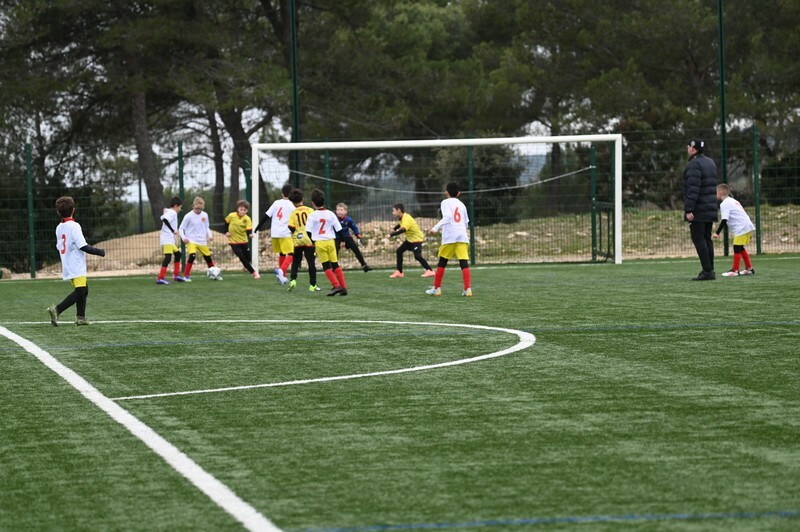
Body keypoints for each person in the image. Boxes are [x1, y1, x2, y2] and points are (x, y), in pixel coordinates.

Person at [47, 196, 105, 326]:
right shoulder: (74, 226)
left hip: (67, 263)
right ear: (74, 210)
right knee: (80, 291)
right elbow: (83, 246)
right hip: (76, 264)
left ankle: (80, 317)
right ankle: (57, 309)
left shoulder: (59, 227)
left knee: (84, 289)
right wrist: (99, 252)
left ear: (58, 212)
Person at [426, 182, 472, 297]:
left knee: (442, 261)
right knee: (463, 262)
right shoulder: (462, 205)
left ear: (446, 192)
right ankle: (468, 289)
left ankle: (437, 288)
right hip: (462, 235)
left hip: (450, 236)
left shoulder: (445, 202)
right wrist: (462, 231)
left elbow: (448, 217)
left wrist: (435, 228)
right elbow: (466, 222)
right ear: (459, 193)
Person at [683, 139, 718, 280]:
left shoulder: (694, 165)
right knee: (706, 238)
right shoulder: (710, 162)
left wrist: (689, 209)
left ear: (693, 149)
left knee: (698, 238)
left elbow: (693, 188)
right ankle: (710, 270)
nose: (687, 149)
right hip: (710, 206)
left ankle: (707, 271)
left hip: (699, 208)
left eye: (688, 147)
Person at [306, 189, 348, 296]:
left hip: (320, 243)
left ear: (313, 203)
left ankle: (336, 286)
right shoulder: (330, 214)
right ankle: (343, 288)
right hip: (330, 241)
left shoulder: (312, 215)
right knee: (335, 264)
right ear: (324, 201)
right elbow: (339, 229)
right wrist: (343, 240)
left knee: (326, 266)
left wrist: (312, 242)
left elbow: (308, 231)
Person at [253, 183, 295, 284]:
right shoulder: (292, 205)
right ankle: (281, 271)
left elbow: (266, 216)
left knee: (282, 253)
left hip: (275, 233)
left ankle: (282, 277)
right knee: (291, 254)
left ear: (282, 194)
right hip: (285, 233)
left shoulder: (276, 203)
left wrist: (258, 227)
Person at [713, 183, 756, 277]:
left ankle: (735, 270)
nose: (715, 194)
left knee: (737, 247)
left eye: (716, 192)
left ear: (720, 193)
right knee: (740, 248)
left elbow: (724, 219)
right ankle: (749, 269)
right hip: (746, 225)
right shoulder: (732, 200)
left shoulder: (725, 204)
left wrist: (717, 232)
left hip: (741, 227)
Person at [386, 203, 435, 278]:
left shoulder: (406, 218)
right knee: (399, 251)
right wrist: (394, 229)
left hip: (416, 240)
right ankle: (399, 272)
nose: (392, 213)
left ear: (399, 210)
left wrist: (391, 235)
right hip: (410, 240)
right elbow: (400, 224)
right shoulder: (402, 217)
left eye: (393, 211)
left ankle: (430, 271)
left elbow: (403, 229)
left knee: (417, 256)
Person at [287, 188, 321, 292]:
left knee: (295, 261)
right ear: (303, 199)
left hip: (298, 240)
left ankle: (293, 280)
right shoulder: (310, 210)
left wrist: (297, 232)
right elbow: (315, 223)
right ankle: (313, 285)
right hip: (309, 240)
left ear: (292, 202)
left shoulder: (293, 213)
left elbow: (290, 226)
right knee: (311, 262)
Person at [178, 196, 217, 282]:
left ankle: (215, 274)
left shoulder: (205, 215)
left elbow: (206, 227)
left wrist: (210, 235)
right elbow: (181, 228)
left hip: (202, 241)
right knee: (192, 256)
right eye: (197, 208)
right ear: (193, 206)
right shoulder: (188, 216)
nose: (198, 210)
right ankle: (186, 276)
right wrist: (184, 238)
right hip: (191, 240)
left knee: (208, 258)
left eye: (200, 209)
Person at [225, 199, 259, 279]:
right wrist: (226, 232)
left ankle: (246, 266)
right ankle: (254, 273)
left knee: (248, 258)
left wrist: (250, 234)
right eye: (241, 209)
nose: (243, 211)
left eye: (245, 210)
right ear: (238, 208)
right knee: (241, 257)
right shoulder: (231, 215)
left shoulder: (247, 219)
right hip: (233, 241)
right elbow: (225, 223)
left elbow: (248, 229)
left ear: (247, 211)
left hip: (243, 241)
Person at [335, 202, 372, 272]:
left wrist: (358, 235)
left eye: (341, 210)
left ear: (345, 211)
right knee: (335, 251)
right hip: (337, 237)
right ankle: (334, 267)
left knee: (356, 249)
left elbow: (354, 227)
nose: (339, 211)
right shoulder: (334, 219)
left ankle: (364, 265)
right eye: (338, 210)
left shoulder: (348, 219)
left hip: (347, 237)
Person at [156, 196, 185, 284]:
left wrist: (165, 211)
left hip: (169, 239)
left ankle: (176, 275)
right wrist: (173, 230)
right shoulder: (172, 212)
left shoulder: (169, 211)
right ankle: (160, 278)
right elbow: (165, 220)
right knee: (168, 257)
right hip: (167, 238)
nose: (180, 209)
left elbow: (162, 217)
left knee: (178, 254)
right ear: (176, 206)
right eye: (180, 207)